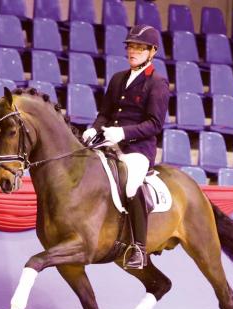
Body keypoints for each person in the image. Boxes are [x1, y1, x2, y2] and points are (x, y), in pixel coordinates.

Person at [82, 24, 170, 269]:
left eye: (140, 47)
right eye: (131, 46)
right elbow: (105, 113)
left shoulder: (157, 83)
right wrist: (94, 128)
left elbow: (154, 124)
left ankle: (139, 248)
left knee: (131, 185)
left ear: (152, 51)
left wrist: (122, 132)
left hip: (137, 150)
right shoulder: (118, 78)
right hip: (109, 142)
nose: (133, 51)